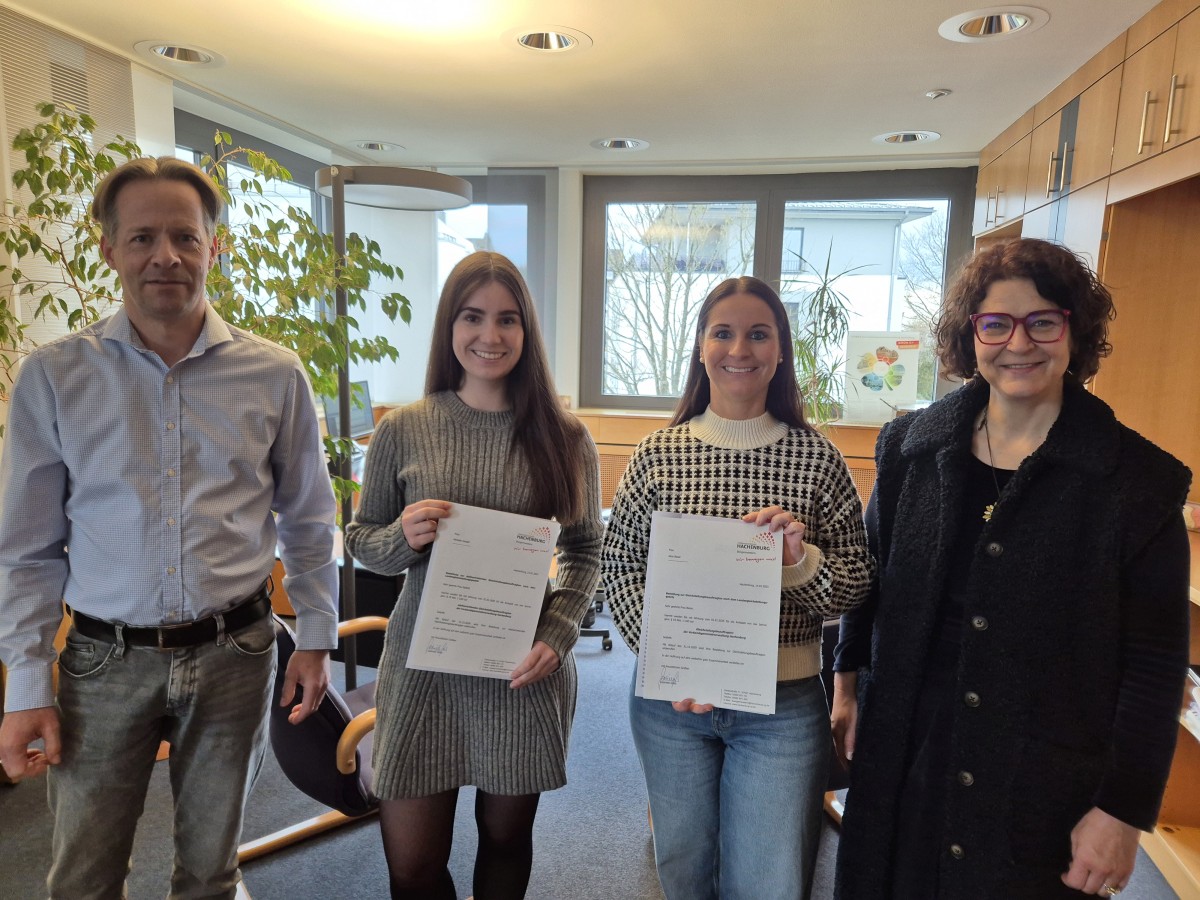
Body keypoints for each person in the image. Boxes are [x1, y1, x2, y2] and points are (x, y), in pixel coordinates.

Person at [0, 156, 338, 897]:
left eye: (185, 236)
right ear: (108, 248)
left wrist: (316, 636)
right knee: (82, 876)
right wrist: (26, 684)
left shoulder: (275, 375)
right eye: (143, 236)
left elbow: (310, 518)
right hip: (101, 660)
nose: (165, 256)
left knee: (211, 873)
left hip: (236, 655)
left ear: (216, 247)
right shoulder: (56, 377)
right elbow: (26, 550)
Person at [832, 238, 1192, 899]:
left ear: (1074, 331)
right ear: (970, 337)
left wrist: (1123, 813)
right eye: (996, 323)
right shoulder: (910, 450)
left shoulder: (1138, 484)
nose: (1018, 343)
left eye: (1043, 322)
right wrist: (847, 684)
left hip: (1039, 779)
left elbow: (1157, 665)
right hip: (902, 751)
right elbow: (870, 578)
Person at [601, 275, 874, 899]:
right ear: (701, 347)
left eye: (759, 334)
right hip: (672, 708)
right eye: (723, 332)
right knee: (684, 870)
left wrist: (798, 561)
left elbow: (856, 584)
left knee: (769, 883)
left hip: (780, 709)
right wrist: (677, 661)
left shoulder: (817, 458)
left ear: (781, 351)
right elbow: (622, 569)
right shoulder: (656, 454)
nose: (740, 349)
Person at [344, 250, 602, 899]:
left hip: (520, 671)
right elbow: (361, 541)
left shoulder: (565, 437)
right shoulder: (404, 429)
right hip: (422, 670)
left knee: (507, 842)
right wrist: (401, 538)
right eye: (473, 317)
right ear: (449, 326)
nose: (490, 336)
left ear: (527, 331)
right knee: (412, 869)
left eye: (507, 319)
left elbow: (584, 550)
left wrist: (559, 634)